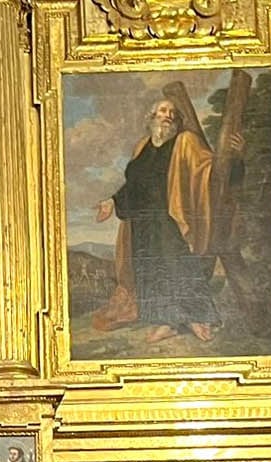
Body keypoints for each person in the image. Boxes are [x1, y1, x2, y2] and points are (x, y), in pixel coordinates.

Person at [92, 98, 226, 343]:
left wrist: (232, 155)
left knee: (179, 264)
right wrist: (111, 201)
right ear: (151, 116)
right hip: (143, 221)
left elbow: (209, 168)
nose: (168, 115)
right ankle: (167, 322)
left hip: (169, 217)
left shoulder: (185, 142)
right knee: (149, 269)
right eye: (163, 111)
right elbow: (133, 185)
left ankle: (198, 317)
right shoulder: (142, 146)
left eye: (172, 112)